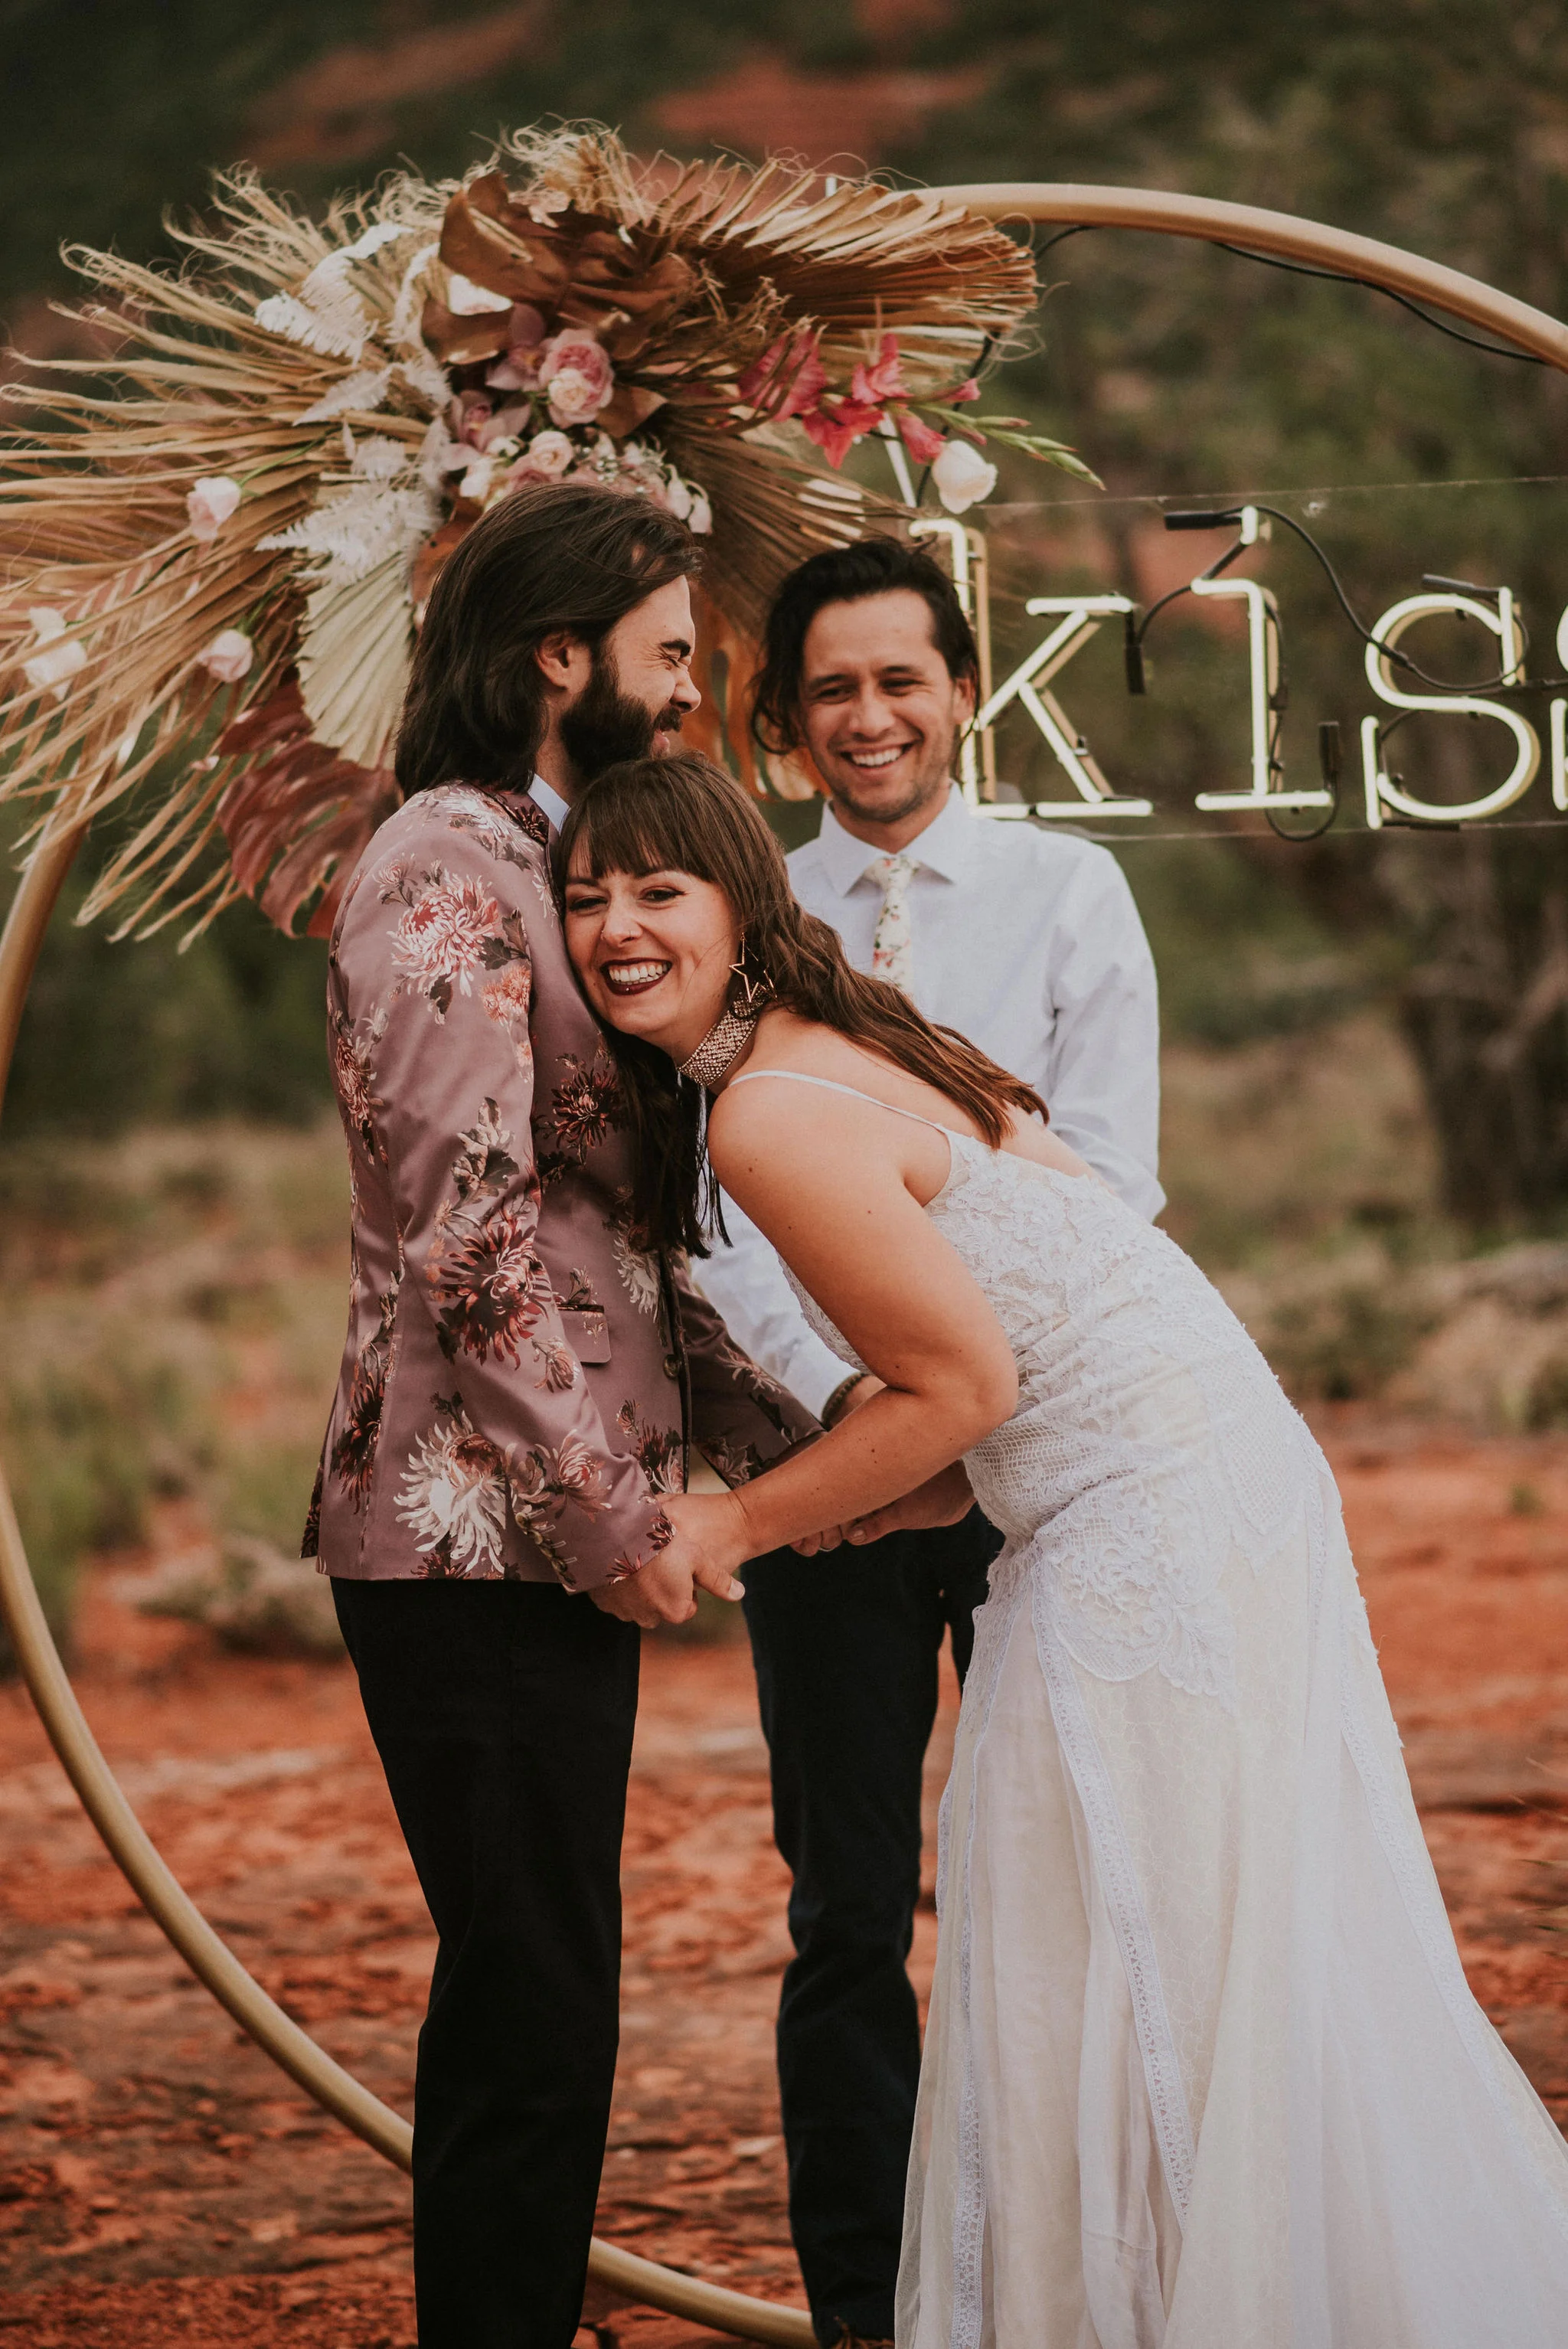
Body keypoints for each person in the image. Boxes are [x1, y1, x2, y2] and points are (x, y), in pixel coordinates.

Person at [560, 747, 1568, 2349]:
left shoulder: (765, 1111)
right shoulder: (844, 1044)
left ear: (744, 905)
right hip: (1185, 1477)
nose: (614, 924)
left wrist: (738, 1516)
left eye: (657, 889)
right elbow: (1029, 1349)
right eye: (583, 893)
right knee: (1195, 1937)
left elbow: (966, 1381)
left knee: (1104, 1941)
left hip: (1143, 1518)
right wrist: (910, 1491)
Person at [305, 482, 818, 2349]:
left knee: (545, 1985)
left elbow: (604, 1227)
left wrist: (784, 1437)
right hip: (470, 1527)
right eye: (669, 655)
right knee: (531, 1995)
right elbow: (469, 1225)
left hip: (533, 1516)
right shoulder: (442, 861)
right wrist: (610, 1512)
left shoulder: (541, 850)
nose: (688, 694)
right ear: (557, 656)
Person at [691, 537, 1161, 2348]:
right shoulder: (746, 915)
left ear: (964, 688)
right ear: (785, 721)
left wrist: (978, 1415)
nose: (869, 717)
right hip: (836, 1482)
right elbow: (727, 1214)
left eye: (901, 678)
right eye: (830, 689)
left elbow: (1111, 1182)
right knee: (845, 1908)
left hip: (1046, 1476)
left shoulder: (1068, 894)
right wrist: (866, 1422)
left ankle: (1078, 2277)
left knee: (1074, 1874)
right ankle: (867, 2307)